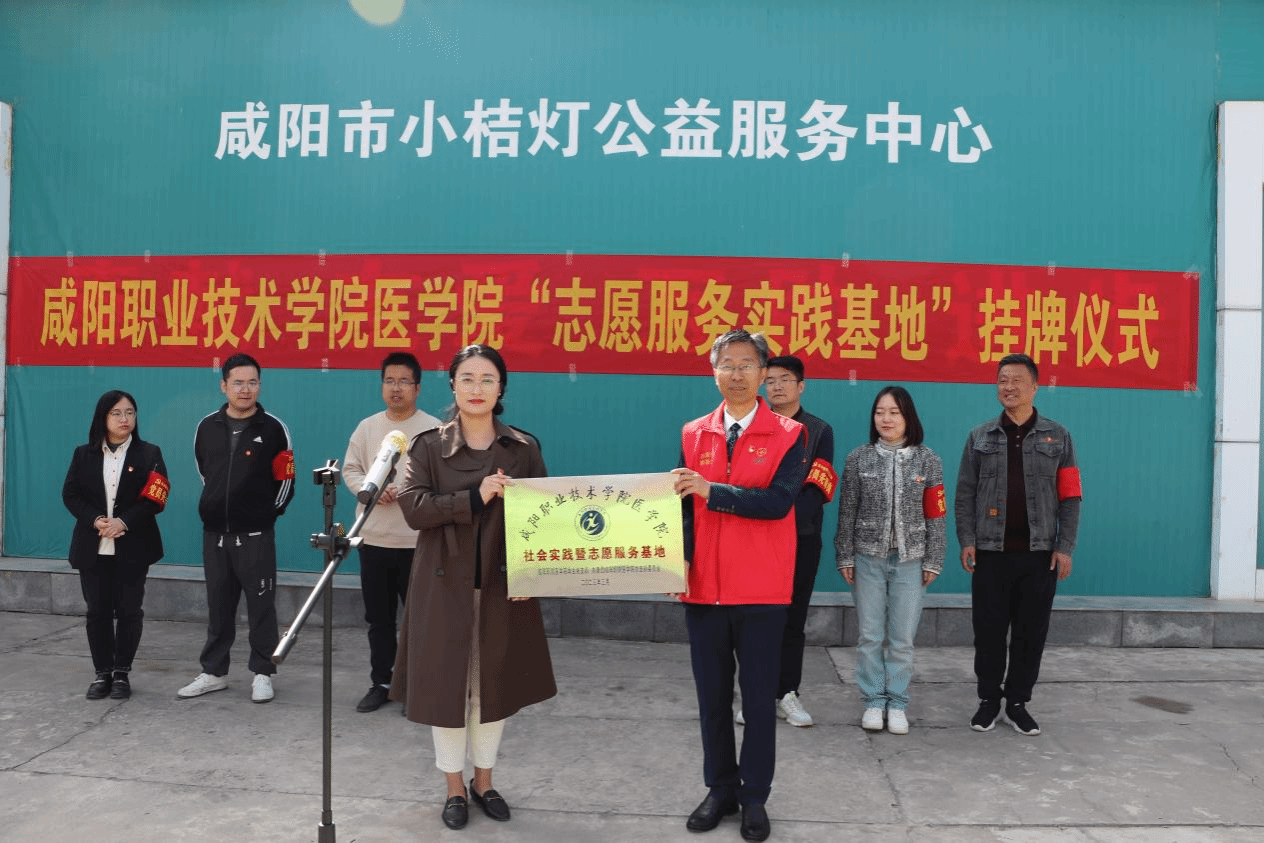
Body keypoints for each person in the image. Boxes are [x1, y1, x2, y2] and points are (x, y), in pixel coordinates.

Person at [390, 344, 556, 831]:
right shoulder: (427, 446)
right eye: (467, 378)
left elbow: (544, 517)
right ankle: (454, 788)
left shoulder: (522, 448)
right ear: (453, 386)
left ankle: (484, 782)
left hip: (503, 587)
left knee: (492, 688)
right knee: (447, 690)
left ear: (501, 388)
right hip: (444, 586)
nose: (477, 388)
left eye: (487, 379)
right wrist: (473, 497)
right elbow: (415, 508)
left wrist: (531, 574)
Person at [672, 330, 808, 843]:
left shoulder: (791, 435)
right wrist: (675, 561)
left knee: (757, 702)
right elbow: (683, 510)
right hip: (704, 590)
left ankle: (755, 798)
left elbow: (778, 502)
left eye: (747, 364)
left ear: (763, 373)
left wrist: (714, 491)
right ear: (714, 373)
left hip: (761, 591)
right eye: (726, 364)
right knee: (711, 699)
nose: (736, 373)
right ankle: (720, 789)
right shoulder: (694, 433)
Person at [956, 353, 1082, 737]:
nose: (1008, 387)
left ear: (1035, 387)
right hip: (990, 553)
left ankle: (1017, 703)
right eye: (1002, 380)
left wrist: (1065, 546)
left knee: (1030, 634)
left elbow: (1070, 495)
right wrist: (967, 540)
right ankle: (988, 701)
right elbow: (965, 494)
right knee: (988, 633)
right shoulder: (980, 436)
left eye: (1016, 380)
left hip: (1039, 556)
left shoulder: (1058, 436)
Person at [178, 353, 295, 704]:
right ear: (224, 385)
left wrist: (264, 516)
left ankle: (262, 673)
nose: (246, 389)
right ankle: (214, 672)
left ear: (260, 385)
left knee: (261, 607)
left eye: (252, 382)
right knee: (218, 607)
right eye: (238, 382)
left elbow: (286, 480)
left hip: (256, 535)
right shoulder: (206, 427)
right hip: (215, 535)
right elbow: (206, 473)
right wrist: (216, 507)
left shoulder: (273, 429)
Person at [835, 386, 945, 735]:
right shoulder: (858, 458)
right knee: (869, 636)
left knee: (902, 638)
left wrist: (934, 558)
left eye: (894, 412)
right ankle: (873, 700)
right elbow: (847, 510)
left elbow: (936, 514)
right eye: (880, 412)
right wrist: (845, 554)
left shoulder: (928, 460)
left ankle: (897, 702)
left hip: (911, 560)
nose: (886, 419)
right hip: (867, 558)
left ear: (908, 417)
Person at [342, 352, 441, 713]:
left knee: (419, 621)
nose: (396, 388)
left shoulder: (435, 430)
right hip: (374, 540)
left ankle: (415, 685)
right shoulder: (367, 427)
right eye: (389, 381)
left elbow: (444, 480)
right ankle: (381, 683)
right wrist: (368, 490)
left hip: (418, 542)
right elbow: (351, 470)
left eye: (403, 381)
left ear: (417, 387)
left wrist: (411, 493)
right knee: (379, 620)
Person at [62, 390, 170, 700]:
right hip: (92, 546)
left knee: (129, 611)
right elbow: (70, 494)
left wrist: (124, 521)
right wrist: (95, 519)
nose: (125, 419)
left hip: (133, 545)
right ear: (103, 417)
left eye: (130, 413)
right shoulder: (83, 454)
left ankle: (122, 673)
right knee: (97, 611)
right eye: (117, 413)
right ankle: (102, 673)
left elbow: (156, 496)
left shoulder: (149, 453)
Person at [758, 355, 836, 728]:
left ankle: (787, 693)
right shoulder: (753, 427)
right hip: (755, 540)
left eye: (785, 379)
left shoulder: (819, 431)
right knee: (757, 620)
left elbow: (818, 487)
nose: (776, 386)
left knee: (792, 619)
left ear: (801, 386)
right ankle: (758, 694)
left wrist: (780, 522)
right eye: (770, 380)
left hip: (799, 539)